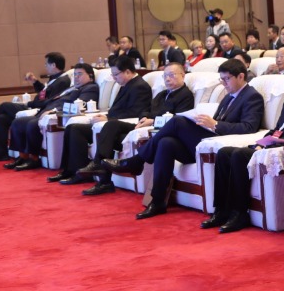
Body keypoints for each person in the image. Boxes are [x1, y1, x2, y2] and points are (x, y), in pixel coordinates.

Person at [101, 59, 265, 219]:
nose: (223, 83)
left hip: (222, 143)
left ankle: (137, 161)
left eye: (227, 79)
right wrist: (206, 123)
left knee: (177, 121)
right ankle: (157, 201)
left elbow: (248, 127)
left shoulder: (252, 96)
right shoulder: (228, 96)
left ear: (241, 76)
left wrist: (215, 124)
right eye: (221, 79)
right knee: (166, 143)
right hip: (208, 140)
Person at [205, 58, 284, 234]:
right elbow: (279, 128)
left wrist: (275, 142)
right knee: (224, 153)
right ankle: (221, 210)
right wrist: (263, 141)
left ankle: (239, 213)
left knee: (239, 155)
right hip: (273, 143)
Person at [73, 62, 194, 194]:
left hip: (158, 129)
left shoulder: (185, 95)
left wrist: (152, 120)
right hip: (144, 124)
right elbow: (146, 109)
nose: (168, 79)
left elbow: (177, 120)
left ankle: (104, 180)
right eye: (165, 76)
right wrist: (144, 117)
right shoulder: (162, 94)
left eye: (171, 75)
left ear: (183, 75)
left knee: (113, 137)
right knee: (111, 125)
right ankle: (99, 166)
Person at [54, 57, 155, 185]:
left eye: (116, 74)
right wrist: (105, 116)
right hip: (114, 122)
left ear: (128, 72)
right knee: (73, 128)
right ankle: (71, 170)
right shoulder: (126, 85)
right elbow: (118, 110)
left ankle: (88, 171)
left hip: (127, 125)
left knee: (106, 125)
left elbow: (135, 112)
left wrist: (108, 118)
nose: (114, 78)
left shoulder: (139, 86)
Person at [6, 63, 101, 172]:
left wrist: (54, 111)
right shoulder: (71, 88)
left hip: (54, 113)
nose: (76, 77)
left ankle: (34, 159)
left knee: (32, 124)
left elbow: (80, 105)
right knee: (18, 122)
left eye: (80, 74)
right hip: (45, 111)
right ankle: (23, 157)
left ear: (90, 76)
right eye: (75, 74)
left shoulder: (91, 88)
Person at [0, 52, 70, 156]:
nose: (45, 66)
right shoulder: (55, 78)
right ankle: (0, 154)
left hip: (38, 110)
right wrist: (35, 82)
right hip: (35, 106)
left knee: (4, 105)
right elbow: (44, 93)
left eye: (46, 64)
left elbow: (50, 101)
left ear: (53, 65)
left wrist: (30, 103)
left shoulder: (63, 81)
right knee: (1, 118)